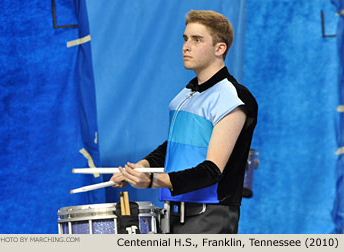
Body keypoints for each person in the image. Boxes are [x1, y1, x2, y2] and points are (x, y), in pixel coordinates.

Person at [111, 10, 258, 234]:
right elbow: (176, 145)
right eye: (185, 38)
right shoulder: (185, 95)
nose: (186, 46)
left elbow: (212, 171)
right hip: (173, 211)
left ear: (220, 48)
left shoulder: (233, 97)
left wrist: (152, 181)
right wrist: (140, 167)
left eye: (197, 40)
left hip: (210, 214)